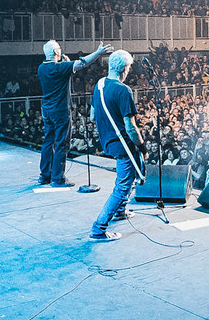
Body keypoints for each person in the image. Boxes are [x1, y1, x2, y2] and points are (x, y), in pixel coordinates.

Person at [88, 50, 144, 241]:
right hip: (123, 145)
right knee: (122, 186)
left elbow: (92, 115)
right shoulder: (123, 90)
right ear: (125, 68)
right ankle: (98, 229)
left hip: (108, 141)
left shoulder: (100, 84)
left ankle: (120, 211)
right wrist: (142, 146)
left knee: (127, 177)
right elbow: (130, 127)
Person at [37, 40, 109, 187]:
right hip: (60, 110)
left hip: (47, 109)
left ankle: (44, 175)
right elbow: (83, 63)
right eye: (59, 48)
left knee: (48, 141)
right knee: (61, 143)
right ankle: (58, 178)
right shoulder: (60, 68)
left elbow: (58, 75)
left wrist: (65, 65)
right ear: (56, 52)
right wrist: (98, 53)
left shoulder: (41, 68)